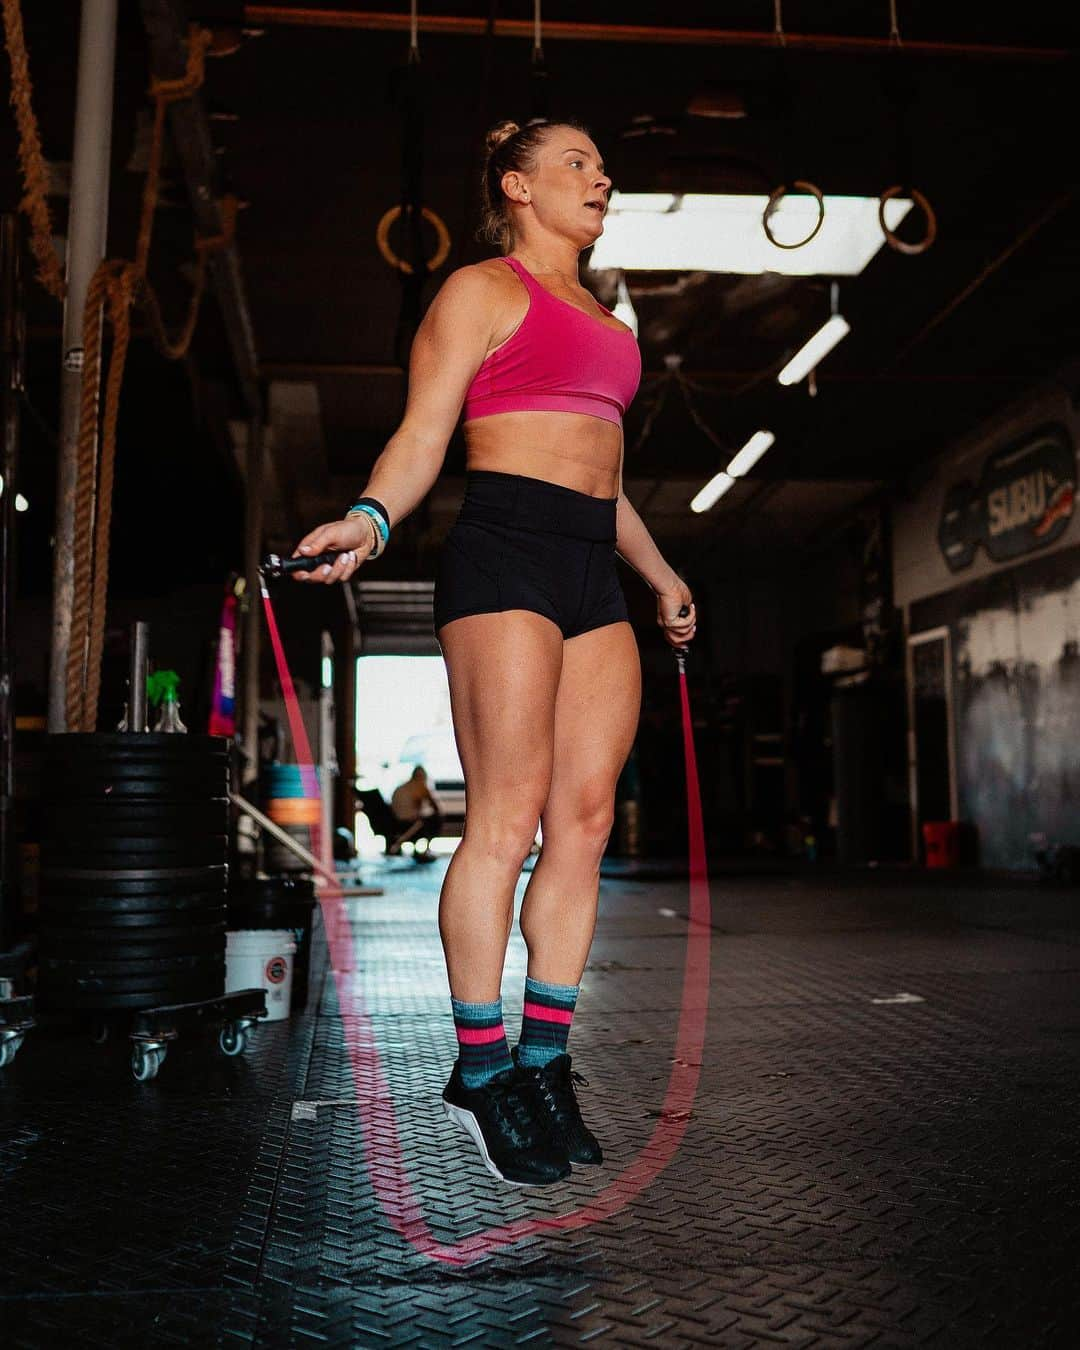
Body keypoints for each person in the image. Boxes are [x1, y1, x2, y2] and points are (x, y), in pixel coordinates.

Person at [291, 118, 698, 1187]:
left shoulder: (612, 322)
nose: (600, 176)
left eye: (602, 165)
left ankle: (544, 1059)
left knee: (588, 819)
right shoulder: (480, 290)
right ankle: (479, 1065)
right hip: (503, 556)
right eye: (577, 163)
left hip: (590, 567)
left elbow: (601, 480)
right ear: (517, 186)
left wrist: (659, 576)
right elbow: (425, 435)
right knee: (506, 818)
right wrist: (371, 521)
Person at [389, 765, 444, 859]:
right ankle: (427, 849)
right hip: (412, 824)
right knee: (436, 817)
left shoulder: (402, 787)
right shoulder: (419, 785)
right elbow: (436, 806)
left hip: (396, 822)